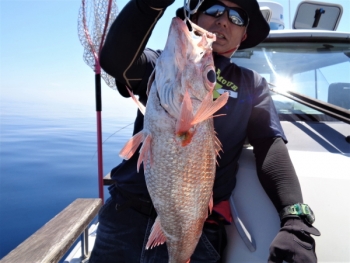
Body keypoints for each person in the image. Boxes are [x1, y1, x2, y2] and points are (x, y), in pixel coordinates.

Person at [89, 0, 320, 262]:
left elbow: (270, 146)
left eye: (237, 17)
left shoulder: (251, 84)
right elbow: (116, 61)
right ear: (193, 15)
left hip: (195, 231)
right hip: (126, 216)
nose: (223, 20)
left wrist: (295, 217)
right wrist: (149, 5)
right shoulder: (161, 66)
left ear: (244, 34)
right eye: (213, 9)